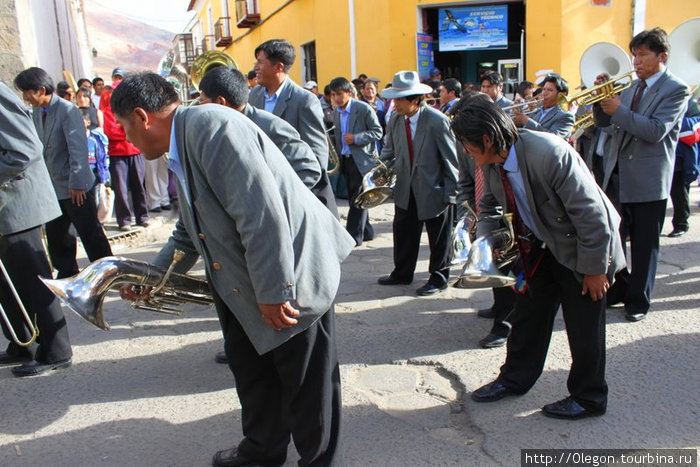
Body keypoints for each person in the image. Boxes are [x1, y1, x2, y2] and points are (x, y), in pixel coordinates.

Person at [111, 72, 355, 467]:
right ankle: (262, 451)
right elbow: (188, 230)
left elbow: (261, 216)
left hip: (287, 273)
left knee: (308, 386)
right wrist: (150, 279)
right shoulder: (185, 137)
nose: (127, 140)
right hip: (242, 277)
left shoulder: (210, 126)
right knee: (253, 371)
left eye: (124, 128)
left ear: (142, 117)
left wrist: (275, 292)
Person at [452, 98, 625, 420]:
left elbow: (593, 217)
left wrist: (594, 271)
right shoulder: (491, 162)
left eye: (466, 144)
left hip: (584, 248)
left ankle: (589, 397)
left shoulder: (549, 153)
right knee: (528, 315)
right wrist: (485, 244)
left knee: (584, 326)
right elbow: (489, 206)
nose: (466, 151)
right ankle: (515, 379)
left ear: (487, 139)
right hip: (541, 247)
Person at [198, 65, 323, 365]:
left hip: (275, 231)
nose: (198, 108)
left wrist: (268, 202)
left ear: (220, 104)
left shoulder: (270, 125)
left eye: (201, 100)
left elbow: (311, 168)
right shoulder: (215, 134)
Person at [593, 27, 689, 322]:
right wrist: (601, 101)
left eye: (642, 55)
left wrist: (618, 108)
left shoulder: (676, 89)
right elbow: (609, 127)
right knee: (615, 239)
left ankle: (639, 300)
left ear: (662, 56)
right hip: (618, 174)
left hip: (648, 178)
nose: (636, 62)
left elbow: (655, 131)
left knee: (645, 244)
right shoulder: (632, 87)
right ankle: (621, 287)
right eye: (634, 55)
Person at [0, 82, 73, 377]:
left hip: (17, 202)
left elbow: (25, 149)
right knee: (8, 283)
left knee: (33, 279)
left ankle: (57, 350)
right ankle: (23, 343)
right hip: (7, 203)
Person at [14, 67, 113, 279]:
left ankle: (108, 271)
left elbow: (78, 149)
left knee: (89, 231)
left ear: (41, 90)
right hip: (52, 187)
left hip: (75, 186)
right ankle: (67, 272)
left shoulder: (68, 111)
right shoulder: (36, 112)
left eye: (27, 92)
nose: (25, 97)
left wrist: (77, 183)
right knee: (58, 235)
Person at [377, 70, 459, 296]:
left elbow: (451, 161)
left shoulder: (437, 121)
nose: (394, 104)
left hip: (435, 188)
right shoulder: (395, 119)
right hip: (405, 187)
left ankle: (439, 278)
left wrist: (452, 194)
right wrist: (379, 171)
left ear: (415, 100)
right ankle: (402, 272)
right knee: (403, 230)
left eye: (398, 99)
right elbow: (389, 150)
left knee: (439, 237)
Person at [249, 39, 338, 217]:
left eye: (260, 61)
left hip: (296, 191)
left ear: (279, 67)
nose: (255, 67)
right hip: (264, 188)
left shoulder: (304, 100)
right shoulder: (254, 96)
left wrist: (296, 191)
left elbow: (317, 153)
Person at [330, 76, 383, 246]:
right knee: (354, 197)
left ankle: (354, 236)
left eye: (339, 94)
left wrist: (357, 138)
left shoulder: (362, 108)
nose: (336, 98)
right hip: (345, 160)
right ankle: (366, 231)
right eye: (333, 94)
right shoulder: (336, 112)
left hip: (361, 161)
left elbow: (377, 132)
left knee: (358, 199)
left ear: (348, 92)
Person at [102, 67, 150, 231]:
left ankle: (142, 216)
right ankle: (124, 220)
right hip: (117, 152)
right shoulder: (108, 107)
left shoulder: (132, 106)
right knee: (121, 188)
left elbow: (136, 125)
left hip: (134, 149)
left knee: (139, 185)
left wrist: (126, 129)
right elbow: (111, 130)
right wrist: (128, 130)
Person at [668, 100, 700, 237]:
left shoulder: (687, 102)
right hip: (659, 152)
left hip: (679, 155)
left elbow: (695, 125)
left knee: (678, 192)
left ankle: (681, 224)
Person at [514, 74, 575, 139]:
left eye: (549, 90)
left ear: (561, 95)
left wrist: (527, 121)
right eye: (544, 89)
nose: (544, 93)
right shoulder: (536, 112)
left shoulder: (566, 116)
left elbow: (553, 138)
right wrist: (516, 120)